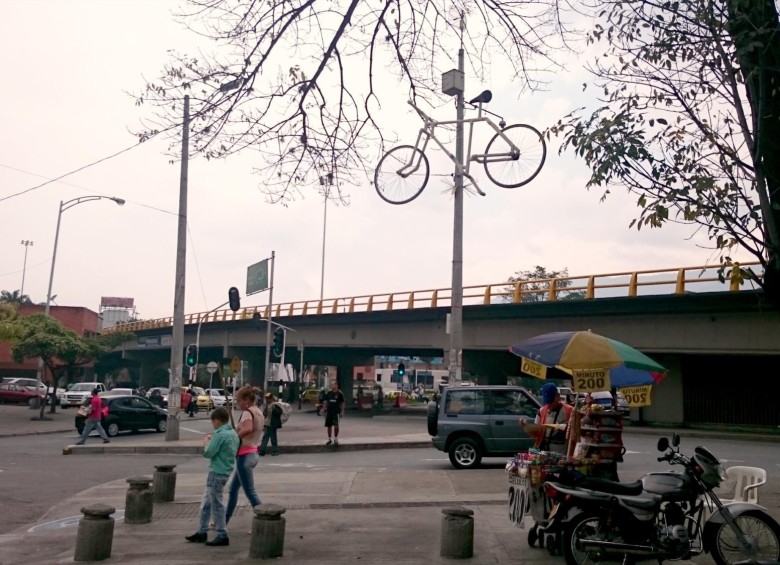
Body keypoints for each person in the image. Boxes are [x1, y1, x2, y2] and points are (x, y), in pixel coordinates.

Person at [185, 407, 239, 546]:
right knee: (207, 503)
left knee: (216, 504)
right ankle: (202, 531)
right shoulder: (232, 433)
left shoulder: (220, 435)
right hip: (226, 470)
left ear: (216, 421)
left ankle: (222, 534)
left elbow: (208, 453)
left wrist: (206, 443)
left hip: (216, 471)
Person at [225, 386, 264, 524]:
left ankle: (266, 518)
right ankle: (224, 520)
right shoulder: (258, 412)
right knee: (233, 489)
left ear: (247, 400)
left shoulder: (248, 413)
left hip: (245, 455)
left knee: (250, 493)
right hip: (253, 453)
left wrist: (234, 436)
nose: (238, 404)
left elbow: (248, 429)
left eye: (239, 400)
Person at [519, 383, 573, 454]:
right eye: (547, 402)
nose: (549, 405)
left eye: (551, 401)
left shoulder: (569, 410)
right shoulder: (542, 411)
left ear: (558, 396)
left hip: (562, 452)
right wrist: (525, 426)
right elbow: (537, 433)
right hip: (544, 452)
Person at [323, 379, 345, 446]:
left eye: (333, 385)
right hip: (329, 411)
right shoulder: (328, 393)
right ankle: (329, 439)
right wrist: (324, 409)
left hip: (336, 412)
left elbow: (343, 402)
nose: (331, 386)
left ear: (336, 385)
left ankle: (336, 438)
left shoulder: (340, 393)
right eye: (331, 385)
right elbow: (326, 401)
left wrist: (342, 411)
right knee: (329, 426)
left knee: (336, 425)